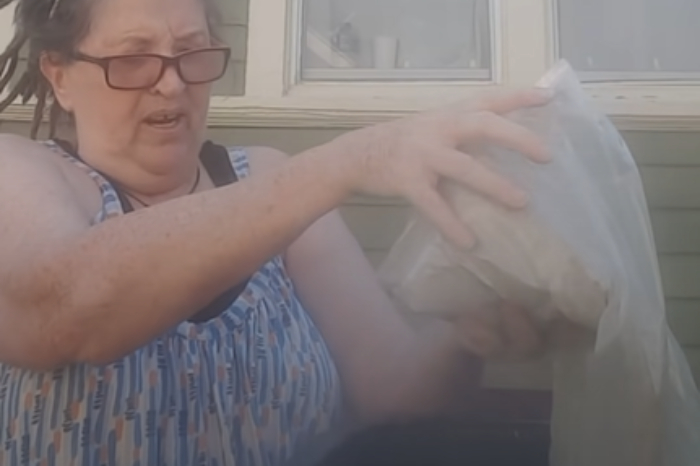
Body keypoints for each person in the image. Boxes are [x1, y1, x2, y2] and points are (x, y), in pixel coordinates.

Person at [0, 0, 555, 464]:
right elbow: (59, 307)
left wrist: (467, 338)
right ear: (60, 75)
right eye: (133, 59)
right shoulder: (20, 172)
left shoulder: (268, 177)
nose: (172, 83)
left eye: (192, 52)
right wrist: (346, 160)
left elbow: (395, 392)